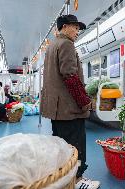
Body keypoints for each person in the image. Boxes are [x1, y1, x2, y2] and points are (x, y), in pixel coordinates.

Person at [40, 14, 100, 189]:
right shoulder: (66, 44)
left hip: (56, 109)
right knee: (75, 146)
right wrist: (85, 102)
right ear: (65, 27)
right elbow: (70, 77)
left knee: (61, 147)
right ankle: (78, 180)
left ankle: (65, 180)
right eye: (75, 27)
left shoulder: (52, 46)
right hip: (69, 110)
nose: (77, 31)